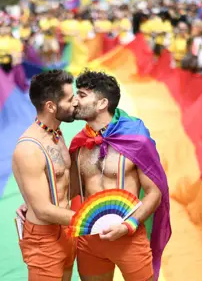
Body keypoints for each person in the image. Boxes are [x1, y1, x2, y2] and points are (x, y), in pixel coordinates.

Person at [69, 70, 171, 281]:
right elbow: (70, 189)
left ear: (101, 103)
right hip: (89, 241)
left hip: (129, 237)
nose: (74, 101)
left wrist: (128, 225)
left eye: (81, 95)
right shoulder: (79, 144)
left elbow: (154, 191)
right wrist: (34, 203)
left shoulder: (135, 139)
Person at [12, 70, 78, 281]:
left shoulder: (56, 132)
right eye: (69, 99)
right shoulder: (29, 148)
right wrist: (89, 220)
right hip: (44, 237)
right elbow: (42, 210)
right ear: (51, 106)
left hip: (67, 230)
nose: (75, 102)